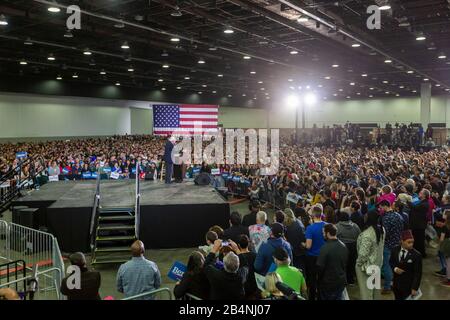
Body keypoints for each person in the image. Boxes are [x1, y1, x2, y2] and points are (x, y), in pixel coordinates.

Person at [355, 210, 385, 300]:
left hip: (366, 267)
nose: (364, 217)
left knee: (366, 293)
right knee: (375, 292)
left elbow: (363, 254)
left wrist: (358, 264)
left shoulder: (367, 235)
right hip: (377, 264)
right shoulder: (381, 229)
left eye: (366, 216)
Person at [379, 200, 404, 295]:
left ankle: (387, 287)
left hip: (388, 245)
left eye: (381, 207)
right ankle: (395, 284)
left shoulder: (386, 218)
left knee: (387, 266)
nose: (381, 209)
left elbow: (385, 233)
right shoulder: (398, 215)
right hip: (398, 244)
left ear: (385, 206)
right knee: (395, 265)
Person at [317, 224, 349, 300]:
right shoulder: (343, 246)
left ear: (328, 233)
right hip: (341, 282)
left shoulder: (325, 248)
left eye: (323, 233)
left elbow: (320, 267)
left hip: (328, 284)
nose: (323, 235)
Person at [389, 230, 423, 300]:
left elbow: (418, 273)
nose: (411, 244)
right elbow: (391, 262)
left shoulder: (416, 255)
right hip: (396, 285)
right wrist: (395, 269)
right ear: (402, 241)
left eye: (412, 242)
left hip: (408, 287)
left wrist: (414, 288)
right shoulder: (395, 250)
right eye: (409, 242)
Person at [304, 204, 327, 300]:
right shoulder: (326, 225)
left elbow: (308, 246)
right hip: (323, 256)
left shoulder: (310, 228)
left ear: (313, 215)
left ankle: (312, 297)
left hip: (312, 257)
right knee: (322, 279)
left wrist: (302, 244)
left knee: (312, 280)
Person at [336, 210, 361, 285]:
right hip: (353, 247)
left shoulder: (338, 226)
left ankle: (344, 281)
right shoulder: (355, 226)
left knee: (342, 264)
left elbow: (335, 236)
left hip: (342, 247)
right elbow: (359, 236)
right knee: (352, 263)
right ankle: (351, 280)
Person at [409, 189, 430, 258]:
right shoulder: (421, 201)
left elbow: (415, 207)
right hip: (416, 225)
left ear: (424, 195)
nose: (419, 193)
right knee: (416, 240)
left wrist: (408, 201)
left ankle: (421, 254)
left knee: (419, 241)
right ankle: (417, 254)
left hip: (419, 225)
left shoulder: (425, 203)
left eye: (420, 193)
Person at [237, 235, 259, 299]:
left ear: (238, 245)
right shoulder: (255, 255)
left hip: (242, 286)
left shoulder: (237, 258)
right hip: (254, 285)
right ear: (248, 243)